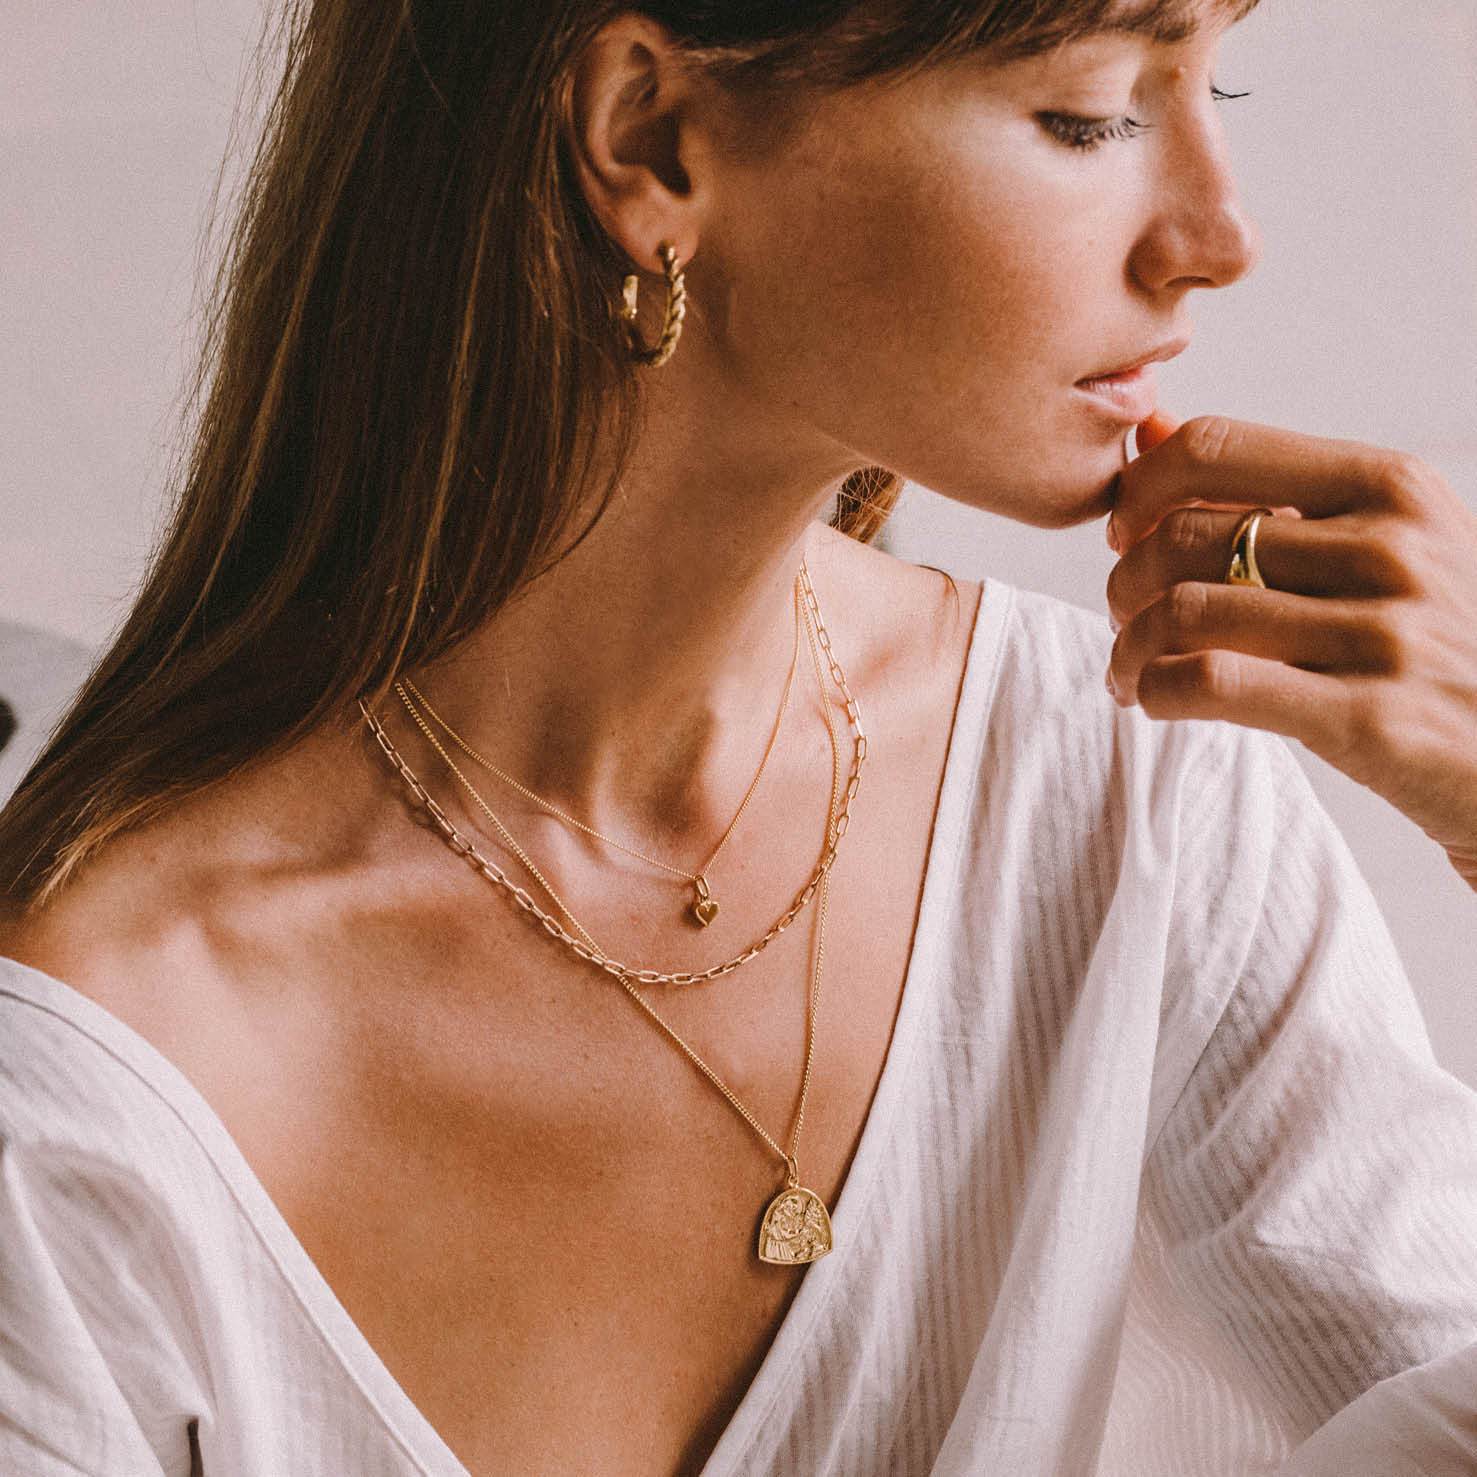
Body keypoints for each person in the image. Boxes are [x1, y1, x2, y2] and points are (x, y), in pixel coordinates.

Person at [1, 0, 1475, 1472]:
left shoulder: (1125, 791)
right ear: (649, 136)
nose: (1217, 238)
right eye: (1087, 115)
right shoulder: (88, 1084)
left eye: (1218, 89)